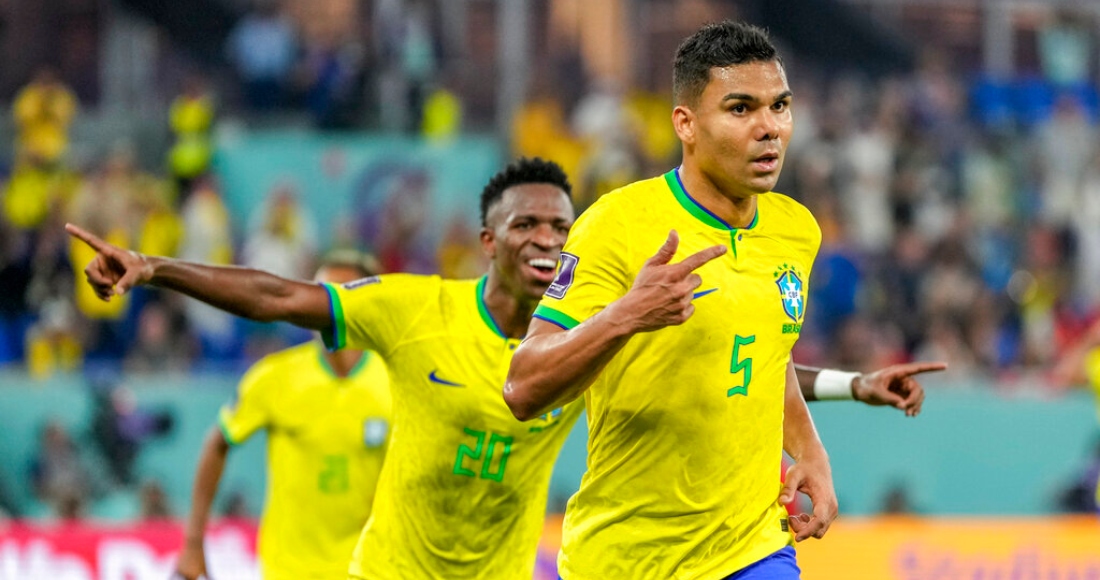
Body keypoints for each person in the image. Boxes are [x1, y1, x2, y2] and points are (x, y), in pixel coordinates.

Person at [68, 157, 940, 579]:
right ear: (488, 240)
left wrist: (852, 387)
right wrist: (154, 269)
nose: (547, 242)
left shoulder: (595, 336)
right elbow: (276, 295)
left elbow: (739, 362)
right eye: (527, 226)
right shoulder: (417, 313)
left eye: (561, 228)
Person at [505, 21, 835, 579]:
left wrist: (810, 452)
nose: (769, 129)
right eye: (740, 109)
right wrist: (626, 316)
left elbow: (766, 353)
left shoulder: (796, 230)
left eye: (779, 106)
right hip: (625, 559)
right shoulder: (617, 225)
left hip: (751, 550)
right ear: (685, 123)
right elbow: (523, 386)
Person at [173, 253, 392, 580]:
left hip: (368, 566)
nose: (323, 306)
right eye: (319, 294)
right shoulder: (275, 377)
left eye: (336, 296)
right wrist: (193, 542)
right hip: (288, 568)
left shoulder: (393, 381)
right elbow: (218, 442)